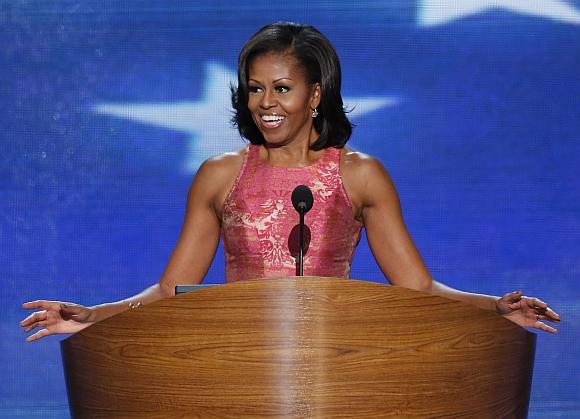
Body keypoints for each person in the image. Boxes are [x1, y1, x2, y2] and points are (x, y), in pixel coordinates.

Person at [20, 22, 560, 342]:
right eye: (255, 89)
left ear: (316, 93)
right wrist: (95, 316)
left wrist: (494, 306)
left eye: (282, 88)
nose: (266, 104)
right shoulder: (219, 176)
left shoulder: (360, 175)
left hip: (332, 354)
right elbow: (170, 292)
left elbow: (417, 289)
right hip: (237, 356)